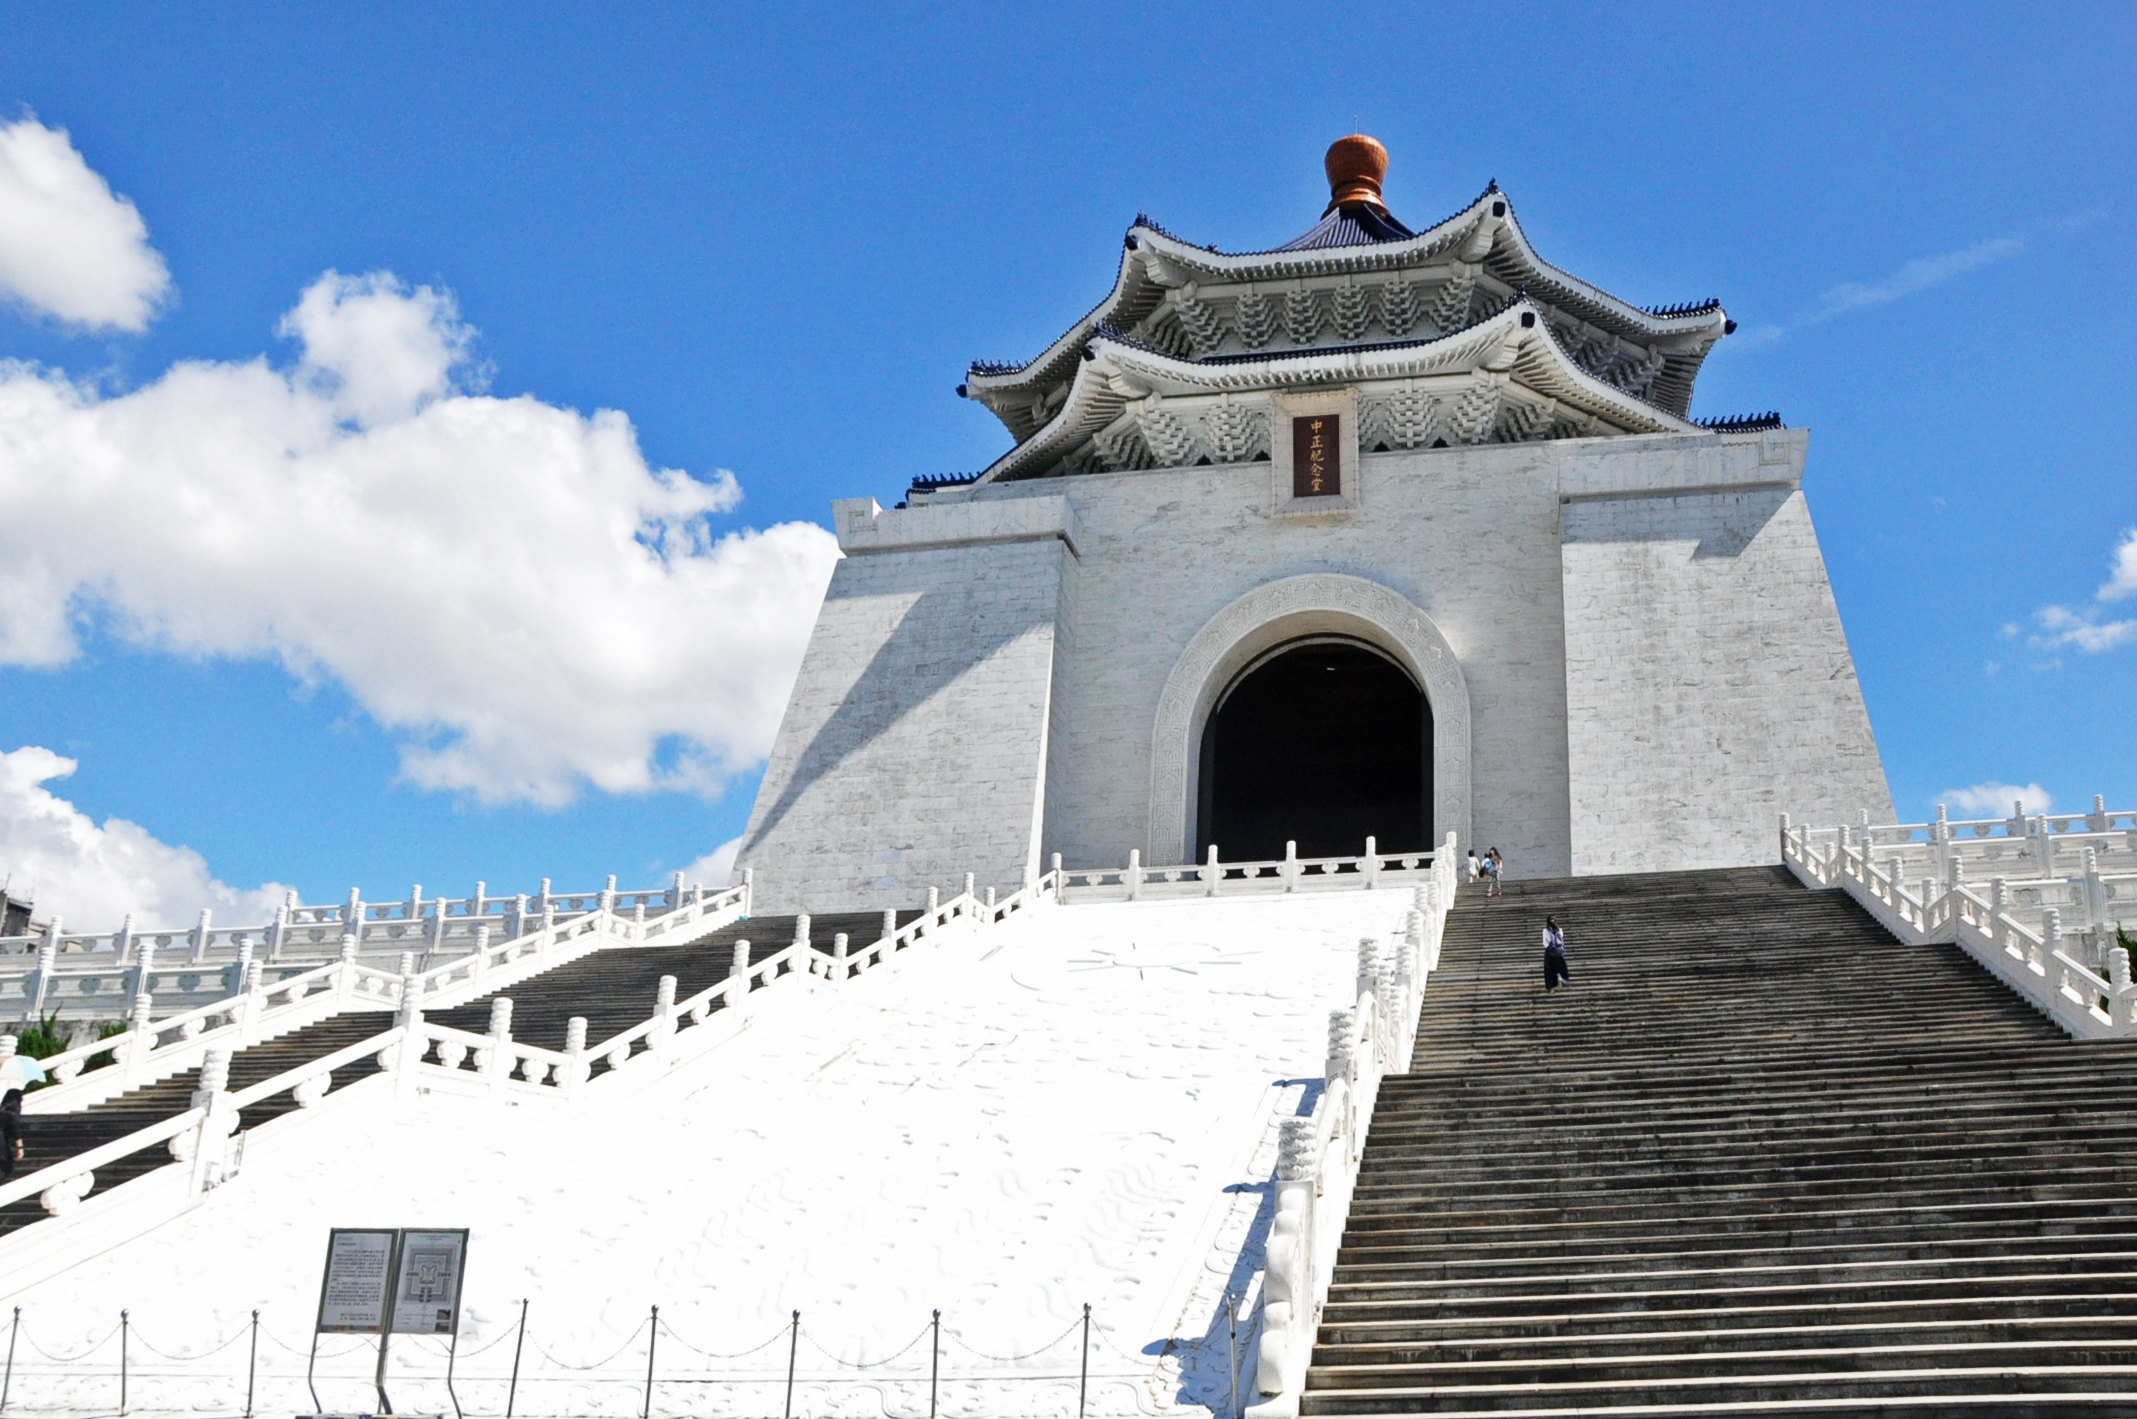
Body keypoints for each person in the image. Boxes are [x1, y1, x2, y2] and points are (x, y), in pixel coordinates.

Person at [1543, 916, 1570, 991]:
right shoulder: (1560, 930)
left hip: (1549, 952)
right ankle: (1560, 978)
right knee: (1561, 968)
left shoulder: (1545, 930)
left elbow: (1545, 943)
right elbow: (1561, 941)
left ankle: (1551, 986)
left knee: (1549, 970)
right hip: (1559, 952)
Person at [0, 1088, 21, 1181]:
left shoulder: (2, 1113)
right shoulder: (12, 1115)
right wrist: (20, 1148)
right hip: (5, 1148)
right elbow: (15, 1132)